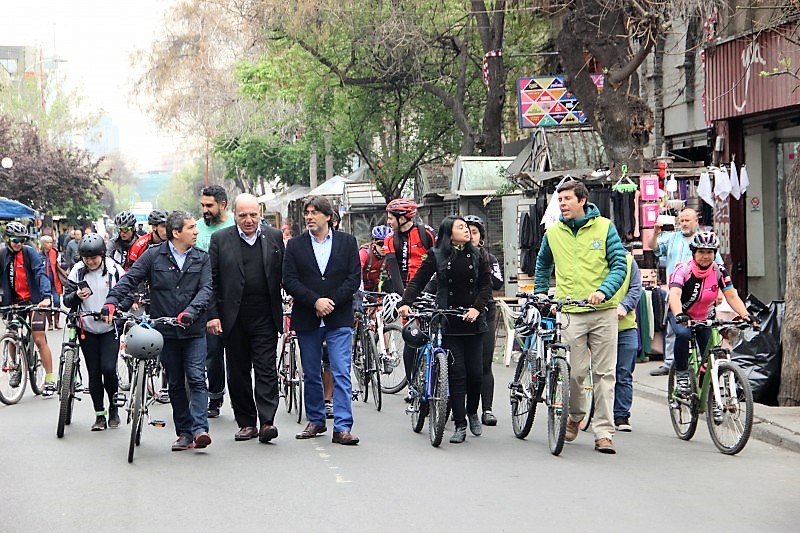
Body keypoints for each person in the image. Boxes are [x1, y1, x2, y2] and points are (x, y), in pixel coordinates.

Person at [103, 211, 214, 452]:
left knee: (196, 377)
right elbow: (130, 279)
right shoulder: (153, 256)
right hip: (165, 330)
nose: (196, 231)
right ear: (176, 233)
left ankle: (200, 429)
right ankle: (184, 433)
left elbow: (206, 289)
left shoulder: (202, 258)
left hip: (194, 329)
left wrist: (190, 312)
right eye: (191, 228)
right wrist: (111, 301)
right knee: (174, 381)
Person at [534, 180, 627, 454]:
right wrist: (541, 294)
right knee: (574, 373)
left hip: (603, 311)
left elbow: (619, 265)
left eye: (566, 199)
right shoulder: (552, 232)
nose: (562, 203)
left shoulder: (605, 227)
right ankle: (575, 416)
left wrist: (604, 291)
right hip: (570, 311)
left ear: (582, 200)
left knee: (604, 374)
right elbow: (542, 265)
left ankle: (604, 433)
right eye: (559, 199)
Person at [397, 215, 492, 443]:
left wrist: (477, 309)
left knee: (476, 374)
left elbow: (486, 286)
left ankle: (472, 412)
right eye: (461, 227)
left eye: (468, 228)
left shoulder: (480, 254)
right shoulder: (436, 255)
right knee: (456, 374)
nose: (467, 231)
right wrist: (405, 302)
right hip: (447, 320)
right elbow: (418, 281)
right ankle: (459, 424)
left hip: (472, 321)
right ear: (449, 233)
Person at [282, 195, 362, 445]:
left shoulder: (347, 242)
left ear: (328, 217)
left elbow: (353, 278)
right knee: (311, 372)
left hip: (338, 317)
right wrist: (314, 301)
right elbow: (289, 279)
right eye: (307, 212)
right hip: (308, 316)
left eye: (315, 212)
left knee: (340, 371)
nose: (309, 217)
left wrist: (331, 303)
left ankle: (342, 426)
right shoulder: (295, 245)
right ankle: (316, 420)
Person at [207, 194, 284, 443]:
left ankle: (267, 421)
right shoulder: (221, 240)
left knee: (266, 369)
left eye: (253, 214)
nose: (248, 220)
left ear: (259, 213)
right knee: (238, 372)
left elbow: (285, 273)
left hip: (265, 314)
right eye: (243, 215)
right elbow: (212, 281)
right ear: (235, 215)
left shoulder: (274, 237)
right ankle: (246, 422)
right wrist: (213, 315)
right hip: (233, 317)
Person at [668, 231, 753, 396]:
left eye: (709, 252)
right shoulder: (683, 270)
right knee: (683, 335)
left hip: (705, 316)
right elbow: (675, 295)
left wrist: (746, 315)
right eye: (701, 251)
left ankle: (708, 392)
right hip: (681, 314)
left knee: (711, 354)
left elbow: (732, 296)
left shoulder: (719, 271)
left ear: (715, 254)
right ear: (693, 253)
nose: (705, 256)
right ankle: (682, 375)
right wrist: (679, 315)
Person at [648, 207, 722, 376]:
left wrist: (718, 292)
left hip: (700, 295)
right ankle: (670, 364)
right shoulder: (672, 238)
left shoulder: (706, 241)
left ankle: (703, 371)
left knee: (703, 334)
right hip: (677, 292)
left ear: (696, 221)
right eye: (681, 220)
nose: (684, 223)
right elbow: (654, 247)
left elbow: (719, 268)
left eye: (687, 220)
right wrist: (655, 232)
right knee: (676, 331)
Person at [63, 234, 126, 431]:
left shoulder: (114, 269)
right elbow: (66, 300)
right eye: (86, 258)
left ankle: (114, 409)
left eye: (94, 258)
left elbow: (127, 294)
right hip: (87, 328)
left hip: (109, 328)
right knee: (94, 371)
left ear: (102, 255)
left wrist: (116, 310)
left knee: (108, 368)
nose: (90, 262)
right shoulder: (77, 271)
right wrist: (76, 296)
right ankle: (100, 415)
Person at [0, 222, 56, 395]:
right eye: (15, 240)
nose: (18, 243)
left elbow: (40, 273)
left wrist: (46, 297)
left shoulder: (29, 252)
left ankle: (49, 379)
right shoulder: (2, 254)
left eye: (22, 240)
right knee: (12, 334)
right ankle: (16, 367)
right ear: (7, 239)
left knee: (39, 338)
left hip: (35, 300)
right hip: (14, 301)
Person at [195, 185, 235, 418]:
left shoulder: (235, 226)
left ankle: (241, 396)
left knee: (237, 354)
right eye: (202, 206)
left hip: (236, 299)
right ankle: (215, 396)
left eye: (209, 206)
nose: (205, 210)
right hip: (208, 300)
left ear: (223, 205)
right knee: (212, 351)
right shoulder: (197, 231)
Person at [463, 215, 504, 427]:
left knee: (484, 362)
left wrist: (481, 260)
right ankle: (458, 408)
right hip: (459, 314)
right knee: (460, 364)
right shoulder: (451, 257)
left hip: (485, 312)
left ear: (481, 237)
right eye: (465, 231)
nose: (469, 235)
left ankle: (486, 409)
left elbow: (497, 283)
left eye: (475, 232)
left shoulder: (489, 258)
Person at [611, 251, 642, 432]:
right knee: (601, 372)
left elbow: (636, 288)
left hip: (626, 325)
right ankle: (597, 412)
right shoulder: (593, 258)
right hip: (600, 325)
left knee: (624, 371)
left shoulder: (629, 261)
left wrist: (624, 306)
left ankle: (621, 415)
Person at [384, 198, 435, 292]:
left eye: (390, 218)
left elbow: (438, 262)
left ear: (402, 219)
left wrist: (428, 290)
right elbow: (394, 272)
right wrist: (404, 297)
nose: (388, 222)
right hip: (402, 289)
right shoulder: (390, 239)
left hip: (427, 289)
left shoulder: (426, 233)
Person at [39, 235, 64, 330]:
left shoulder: (56, 253)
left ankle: (57, 322)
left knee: (57, 301)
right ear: (43, 244)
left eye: (51, 242)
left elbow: (64, 264)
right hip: (45, 283)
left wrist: (61, 264)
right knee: (47, 303)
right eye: (47, 242)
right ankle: (50, 323)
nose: (50, 244)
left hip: (55, 282)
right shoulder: (39, 255)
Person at [360, 225, 391, 292]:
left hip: (374, 287)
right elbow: (356, 272)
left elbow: (395, 275)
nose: (383, 247)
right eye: (380, 243)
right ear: (374, 242)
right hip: (359, 286)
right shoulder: (364, 252)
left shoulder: (390, 255)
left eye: (387, 244)